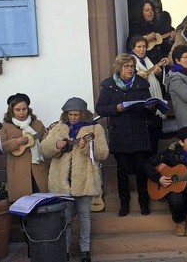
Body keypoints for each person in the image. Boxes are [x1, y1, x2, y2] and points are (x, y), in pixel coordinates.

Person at [40, 97, 108, 262]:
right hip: (62, 181)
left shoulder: (95, 128)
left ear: (83, 114)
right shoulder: (58, 127)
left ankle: (85, 250)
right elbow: (44, 149)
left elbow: (103, 153)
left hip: (85, 180)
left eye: (76, 115)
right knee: (66, 218)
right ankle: (66, 251)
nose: (72, 117)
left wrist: (86, 147)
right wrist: (56, 146)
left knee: (84, 216)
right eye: (70, 114)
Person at [96, 53, 156, 216]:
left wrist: (150, 107)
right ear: (119, 68)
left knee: (140, 168)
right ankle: (124, 203)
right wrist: (116, 108)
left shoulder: (141, 84)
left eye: (132, 66)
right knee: (122, 170)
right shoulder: (109, 86)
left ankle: (144, 202)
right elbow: (100, 109)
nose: (130, 69)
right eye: (127, 66)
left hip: (139, 131)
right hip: (120, 133)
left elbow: (149, 106)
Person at [0, 93, 48, 202]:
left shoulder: (37, 124)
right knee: (22, 203)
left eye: (24, 109)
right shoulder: (5, 127)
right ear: (11, 111)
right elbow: (1, 147)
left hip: (38, 168)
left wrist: (46, 138)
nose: (21, 112)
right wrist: (16, 142)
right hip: (19, 171)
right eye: (17, 110)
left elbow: (45, 144)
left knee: (41, 200)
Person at [128, 35, 165, 153]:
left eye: (144, 46)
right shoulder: (130, 61)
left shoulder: (147, 60)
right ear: (133, 48)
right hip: (143, 103)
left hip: (154, 98)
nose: (142, 49)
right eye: (139, 47)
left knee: (155, 133)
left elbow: (154, 78)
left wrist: (159, 73)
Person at [129, 0, 174, 64]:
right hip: (144, 61)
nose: (150, 12)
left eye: (152, 10)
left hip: (159, 61)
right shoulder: (135, 26)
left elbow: (164, 47)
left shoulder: (158, 26)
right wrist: (146, 39)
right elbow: (130, 44)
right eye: (147, 10)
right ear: (141, 12)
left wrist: (170, 40)